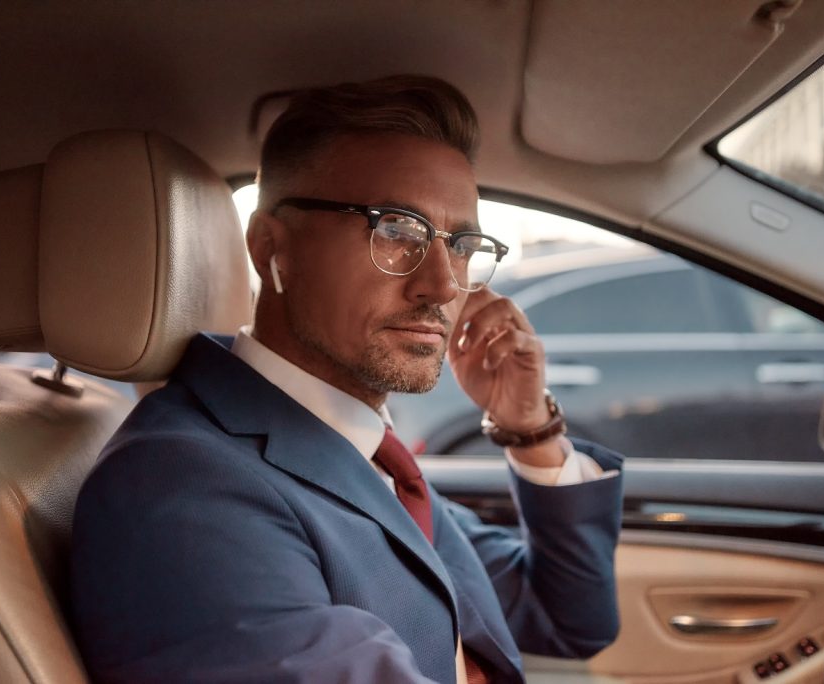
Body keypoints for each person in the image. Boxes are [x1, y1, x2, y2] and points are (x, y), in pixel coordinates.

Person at [71, 75, 623, 684]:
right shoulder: (182, 487)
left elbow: (569, 620)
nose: (443, 286)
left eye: (462, 244)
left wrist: (529, 429)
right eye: (395, 230)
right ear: (269, 247)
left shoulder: (359, 449)